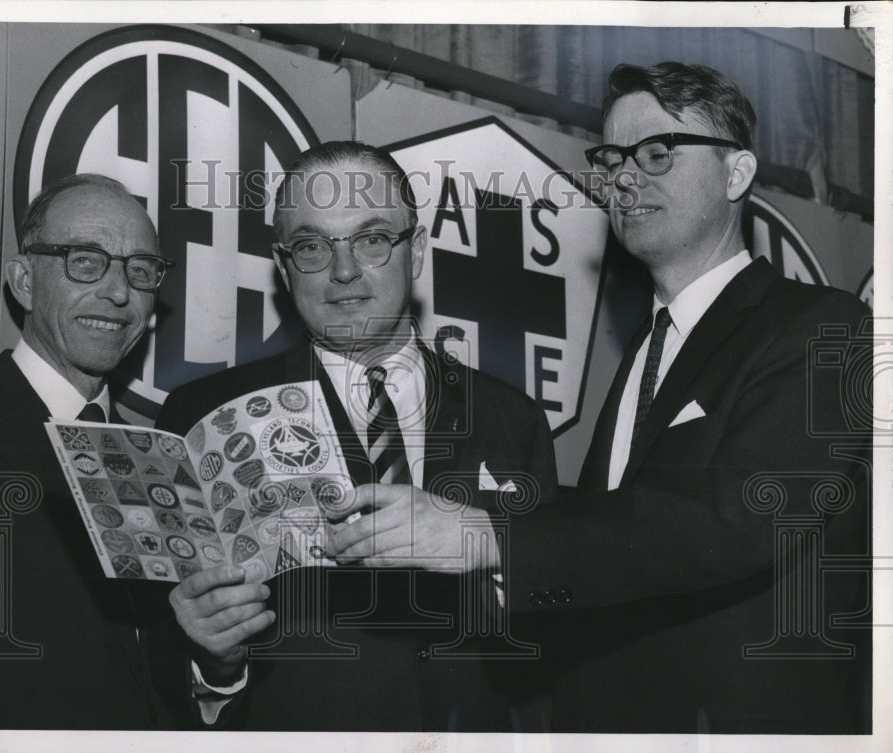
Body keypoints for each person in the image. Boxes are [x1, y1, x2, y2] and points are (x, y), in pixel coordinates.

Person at [506, 63, 872, 733]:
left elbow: (740, 514)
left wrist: (491, 541)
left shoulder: (825, 327)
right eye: (611, 157)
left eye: (656, 152)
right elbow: (614, 553)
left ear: (736, 175)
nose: (622, 176)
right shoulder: (644, 353)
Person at [156, 141, 558, 731]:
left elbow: (552, 634)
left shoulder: (512, 418)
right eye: (313, 246)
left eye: (371, 240)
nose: (344, 272)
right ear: (284, 263)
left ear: (415, 249)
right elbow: (159, 662)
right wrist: (215, 664)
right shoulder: (208, 419)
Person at [0, 174, 186, 728]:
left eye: (140, 269)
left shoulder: (161, 459)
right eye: (86, 260)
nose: (118, 291)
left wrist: (216, 669)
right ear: (24, 281)